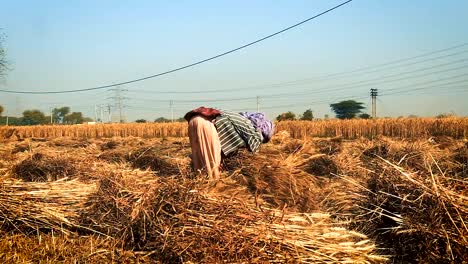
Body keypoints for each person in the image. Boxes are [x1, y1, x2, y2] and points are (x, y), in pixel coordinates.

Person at [184, 107, 275, 178]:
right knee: (212, 170)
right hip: (207, 124)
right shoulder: (256, 134)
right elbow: (253, 158)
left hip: (194, 119)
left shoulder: (242, 121)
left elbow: (226, 144)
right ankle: (210, 192)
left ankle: (197, 184)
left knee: (199, 160)